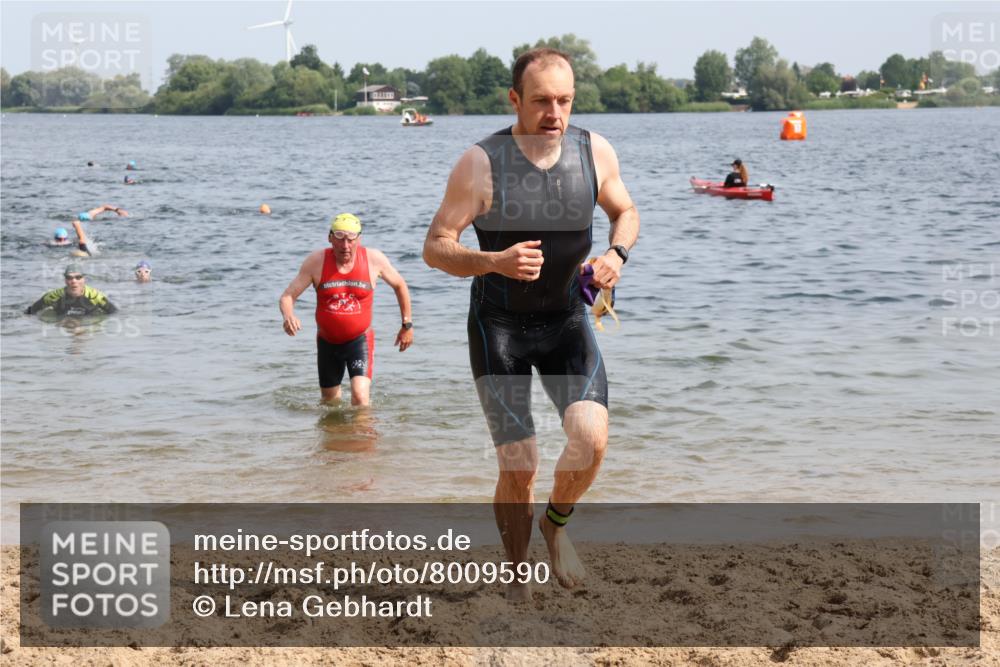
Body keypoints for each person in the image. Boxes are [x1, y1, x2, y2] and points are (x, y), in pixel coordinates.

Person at [422, 47, 639, 601]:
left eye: (564, 100)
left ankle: (556, 526)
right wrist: (494, 261)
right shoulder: (481, 162)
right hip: (500, 326)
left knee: (590, 441)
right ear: (515, 99)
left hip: (567, 318)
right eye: (541, 100)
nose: (555, 112)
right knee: (520, 464)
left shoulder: (596, 152)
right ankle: (518, 571)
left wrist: (616, 254)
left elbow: (626, 212)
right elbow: (435, 248)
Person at [279, 213, 413, 406]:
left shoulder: (373, 259)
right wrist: (288, 315)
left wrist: (407, 324)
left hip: (359, 340)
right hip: (327, 342)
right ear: (330, 238)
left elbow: (400, 285)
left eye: (351, 239)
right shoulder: (316, 262)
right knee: (330, 403)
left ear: (359, 239)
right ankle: (338, 437)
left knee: (360, 396)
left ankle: (364, 435)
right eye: (340, 238)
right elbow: (287, 296)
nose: (345, 246)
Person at [25, 264, 117, 317]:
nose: (74, 281)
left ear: (83, 279)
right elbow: (30, 312)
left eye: (78, 277)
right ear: (65, 280)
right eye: (69, 278)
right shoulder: (53, 296)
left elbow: (114, 313)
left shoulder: (95, 296)